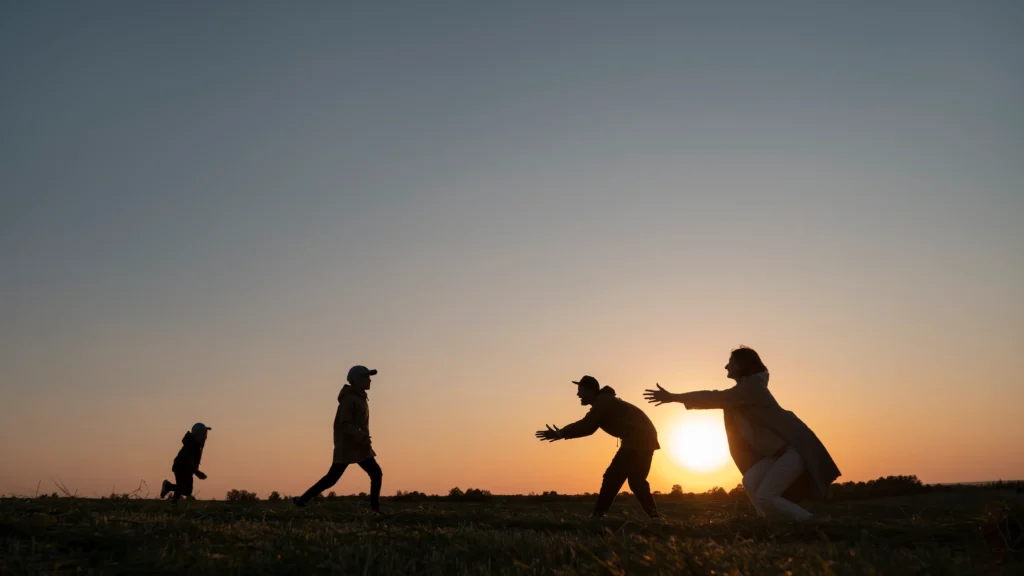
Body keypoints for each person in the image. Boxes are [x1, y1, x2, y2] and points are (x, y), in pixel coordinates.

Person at [644, 347, 840, 520]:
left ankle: (811, 522)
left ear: (742, 365)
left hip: (793, 451)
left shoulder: (750, 388)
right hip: (778, 453)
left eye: (731, 362)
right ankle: (771, 523)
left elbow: (715, 397)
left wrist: (673, 397)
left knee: (766, 496)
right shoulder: (746, 388)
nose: (726, 367)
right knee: (750, 481)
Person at [536, 375, 660, 519]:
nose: (578, 395)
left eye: (580, 390)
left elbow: (586, 424)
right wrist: (561, 433)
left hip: (638, 438)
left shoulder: (603, 402)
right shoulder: (603, 402)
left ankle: (598, 516)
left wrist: (560, 433)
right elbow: (589, 428)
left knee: (613, 477)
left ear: (589, 391)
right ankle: (655, 518)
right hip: (643, 438)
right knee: (635, 481)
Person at [294, 365, 383, 512]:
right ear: (355, 381)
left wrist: (363, 438)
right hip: (349, 445)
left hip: (359, 444)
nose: (369, 380)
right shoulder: (349, 399)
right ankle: (301, 500)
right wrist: (361, 437)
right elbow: (345, 424)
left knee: (374, 474)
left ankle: (375, 510)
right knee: (332, 478)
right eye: (366, 377)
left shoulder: (359, 397)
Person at [160, 423, 211, 502]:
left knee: (186, 490)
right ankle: (168, 488)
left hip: (187, 469)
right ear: (197, 434)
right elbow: (187, 460)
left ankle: (173, 499)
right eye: (204, 433)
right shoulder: (193, 444)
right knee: (183, 489)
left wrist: (195, 471)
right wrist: (197, 472)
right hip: (181, 467)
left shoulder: (195, 444)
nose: (205, 436)